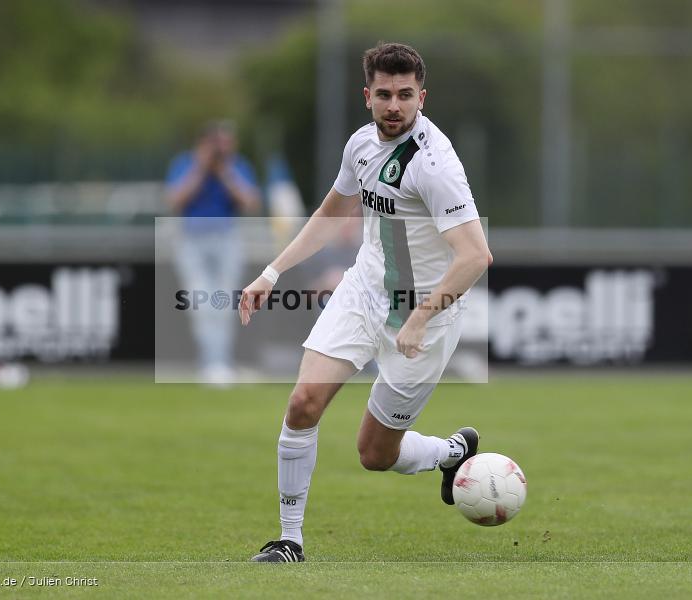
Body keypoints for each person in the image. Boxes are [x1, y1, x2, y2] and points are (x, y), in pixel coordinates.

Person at [239, 43, 493, 562]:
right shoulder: (360, 145)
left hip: (425, 315)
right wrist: (271, 272)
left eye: (405, 95)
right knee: (303, 403)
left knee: (374, 455)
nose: (395, 105)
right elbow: (331, 214)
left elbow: (476, 256)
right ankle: (290, 539)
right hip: (364, 290)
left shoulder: (435, 164)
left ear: (422, 96)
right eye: (385, 94)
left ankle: (451, 452)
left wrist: (422, 316)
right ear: (367, 97)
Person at [166, 121, 260, 386]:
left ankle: (217, 363)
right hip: (191, 241)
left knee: (224, 302)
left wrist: (224, 173)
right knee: (200, 301)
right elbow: (175, 199)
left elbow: (250, 201)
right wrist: (201, 167)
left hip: (227, 239)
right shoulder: (185, 164)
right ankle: (212, 362)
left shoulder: (236, 166)